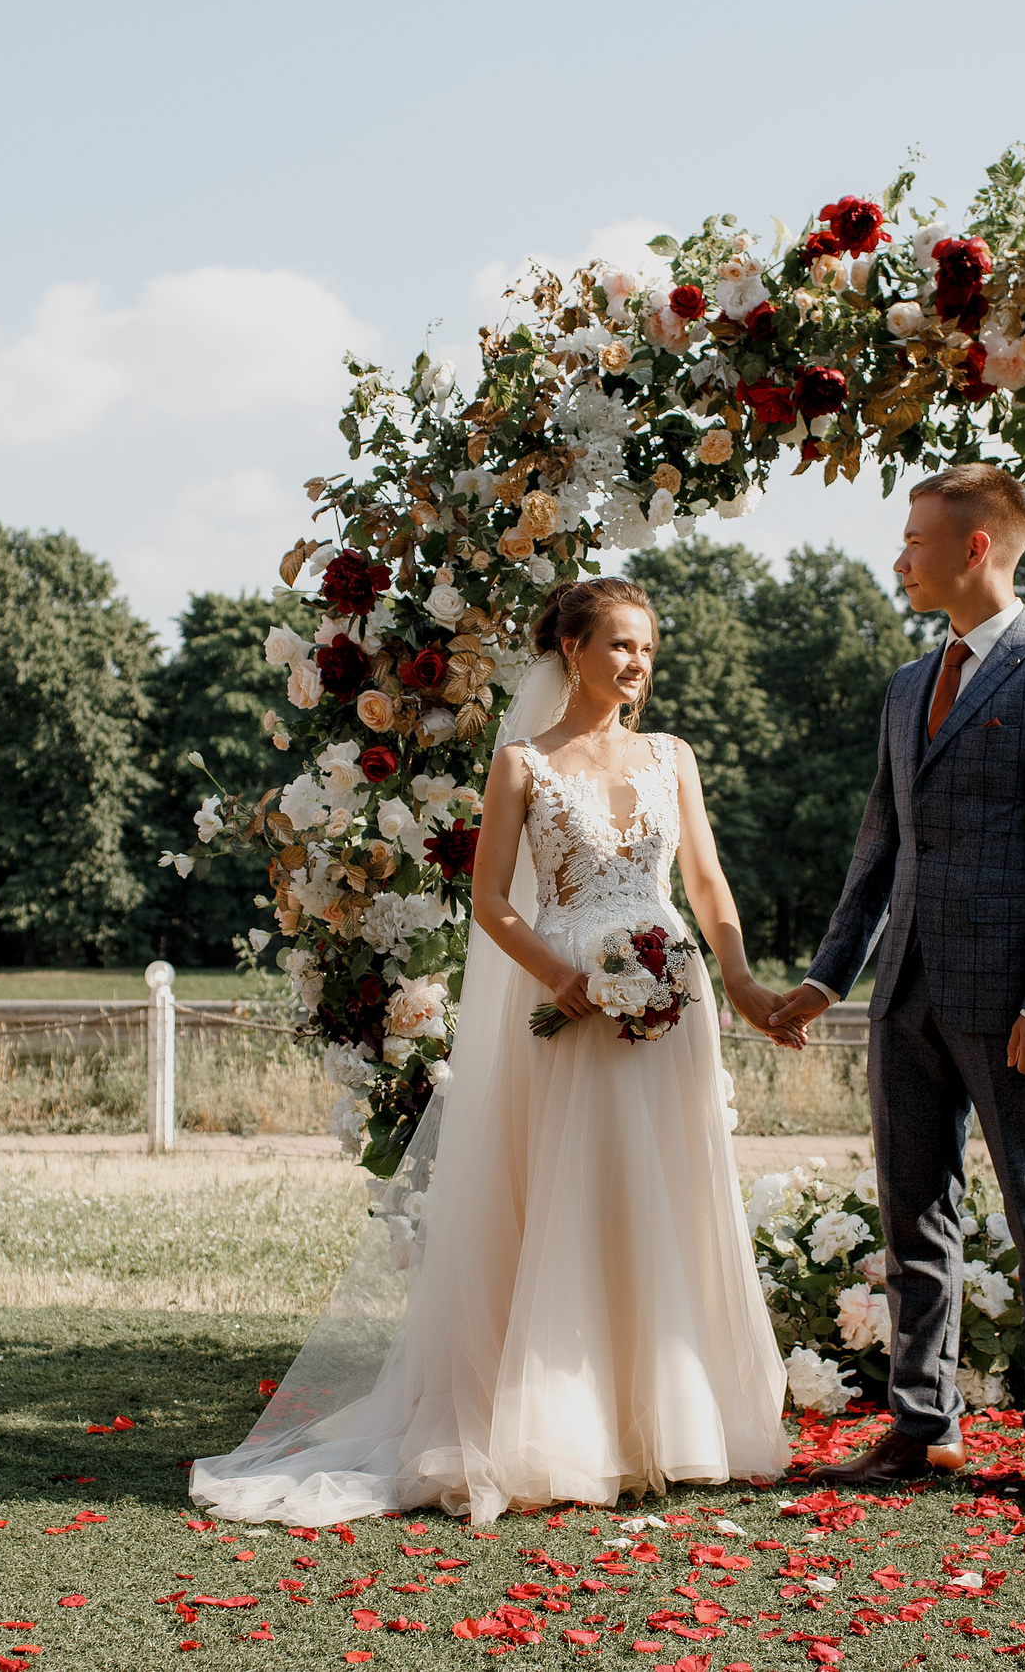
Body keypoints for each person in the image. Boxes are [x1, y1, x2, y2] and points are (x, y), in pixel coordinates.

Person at [191, 577, 799, 1526]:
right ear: (571, 651)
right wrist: (563, 977)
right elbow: (492, 904)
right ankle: (569, 1426)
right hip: (569, 1006)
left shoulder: (671, 756)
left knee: (664, 1196)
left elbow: (708, 884)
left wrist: (745, 982)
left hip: (668, 1005)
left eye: (646, 647)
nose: (636, 663)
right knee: (578, 1195)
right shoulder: (522, 765)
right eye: (619, 647)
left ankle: (668, 1422)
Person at [767, 464, 1025, 1515]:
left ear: (977, 548)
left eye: (917, 537)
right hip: (905, 996)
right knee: (914, 1219)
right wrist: (829, 974)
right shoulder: (906, 685)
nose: (900, 554)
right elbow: (878, 850)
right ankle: (924, 1430)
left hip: (1019, 1010)